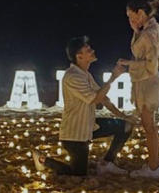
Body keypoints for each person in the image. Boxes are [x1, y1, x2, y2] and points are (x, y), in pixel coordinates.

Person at [33, 36, 136, 176]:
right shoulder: (72, 76)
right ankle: (43, 160)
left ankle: (107, 163)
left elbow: (104, 98)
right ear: (79, 56)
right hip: (74, 135)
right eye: (88, 49)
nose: (92, 50)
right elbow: (95, 98)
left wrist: (124, 116)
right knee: (78, 174)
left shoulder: (85, 74)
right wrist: (113, 77)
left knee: (126, 126)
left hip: (90, 127)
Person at [118, 0, 159, 178]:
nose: (129, 20)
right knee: (149, 126)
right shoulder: (149, 29)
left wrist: (128, 63)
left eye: (131, 16)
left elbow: (151, 65)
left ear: (140, 13)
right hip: (144, 82)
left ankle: (154, 167)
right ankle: (155, 165)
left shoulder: (149, 34)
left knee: (149, 126)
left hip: (147, 83)